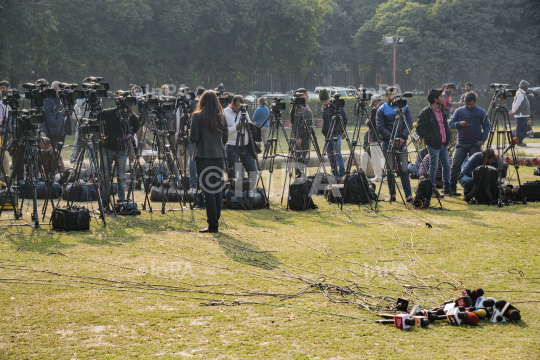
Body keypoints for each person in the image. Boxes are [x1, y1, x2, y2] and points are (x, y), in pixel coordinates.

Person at [190, 91, 228, 233]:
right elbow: (225, 138)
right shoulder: (222, 117)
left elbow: (194, 138)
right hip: (218, 156)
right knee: (217, 189)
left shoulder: (197, 116)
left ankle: (213, 225)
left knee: (208, 191)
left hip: (203, 156)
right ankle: (215, 221)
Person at [376, 86, 414, 202]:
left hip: (402, 142)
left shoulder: (404, 107)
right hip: (388, 143)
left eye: (397, 94)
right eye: (392, 94)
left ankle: (408, 195)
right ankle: (392, 195)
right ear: (386, 96)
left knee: (403, 169)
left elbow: (409, 123)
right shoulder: (381, 109)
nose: (395, 96)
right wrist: (393, 139)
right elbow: (380, 128)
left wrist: (402, 138)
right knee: (390, 169)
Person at [449, 92, 490, 195]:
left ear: (475, 102)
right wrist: (460, 124)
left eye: (471, 104)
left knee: (475, 167)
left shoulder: (481, 111)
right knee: (455, 166)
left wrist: (482, 140)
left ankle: (472, 189)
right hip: (461, 143)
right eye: (467, 104)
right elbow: (451, 124)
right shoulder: (459, 111)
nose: (469, 106)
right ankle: (452, 188)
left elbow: (487, 126)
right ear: (464, 102)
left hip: (475, 143)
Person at [416, 88, 455, 195]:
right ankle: (432, 190)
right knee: (433, 166)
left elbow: (443, 126)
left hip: (443, 144)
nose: (443, 98)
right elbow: (419, 129)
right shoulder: (426, 112)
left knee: (447, 166)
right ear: (435, 99)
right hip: (433, 145)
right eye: (441, 96)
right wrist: (430, 139)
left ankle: (447, 189)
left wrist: (447, 139)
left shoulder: (441, 109)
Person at [101, 101, 140, 204]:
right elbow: (98, 116)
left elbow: (138, 122)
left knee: (121, 177)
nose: (130, 107)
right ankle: (105, 200)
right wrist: (101, 133)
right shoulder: (110, 113)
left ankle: (121, 200)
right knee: (105, 176)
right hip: (107, 148)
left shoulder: (129, 116)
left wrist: (132, 133)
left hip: (122, 149)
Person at [224, 95, 257, 182]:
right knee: (233, 173)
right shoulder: (224, 113)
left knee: (253, 170)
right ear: (232, 104)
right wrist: (236, 128)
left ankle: (251, 192)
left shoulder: (244, 111)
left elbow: (249, 123)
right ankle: (234, 193)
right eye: (238, 106)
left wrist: (248, 126)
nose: (240, 109)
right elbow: (223, 131)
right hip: (232, 145)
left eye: (242, 106)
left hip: (245, 145)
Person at [319, 89, 348, 178]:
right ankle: (335, 173)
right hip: (327, 135)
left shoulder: (335, 106)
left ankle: (342, 172)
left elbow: (344, 119)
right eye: (322, 101)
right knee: (330, 156)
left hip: (336, 133)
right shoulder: (324, 109)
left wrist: (341, 131)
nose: (324, 103)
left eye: (325, 100)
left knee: (337, 154)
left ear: (328, 99)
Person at [289, 88, 314, 174]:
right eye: (306, 94)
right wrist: (297, 137)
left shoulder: (306, 106)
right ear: (300, 96)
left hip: (307, 135)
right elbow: (294, 125)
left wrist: (313, 133)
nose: (308, 96)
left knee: (305, 155)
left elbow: (310, 121)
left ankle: (303, 172)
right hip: (300, 135)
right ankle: (298, 173)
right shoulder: (296, 108)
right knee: (298, 155)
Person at [365, 94, 385, 182]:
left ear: (376, 102)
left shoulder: (375, 109)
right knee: (384, 157)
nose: (373, 105)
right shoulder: (387, 107)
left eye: (373, 103)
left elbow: (370, 123)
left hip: (375, 136)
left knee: (375, 157)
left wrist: (367, 120)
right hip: (385, 136)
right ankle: (385, 174)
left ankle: (378, 176)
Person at [43, 81, 66, 151]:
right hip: (52, 129)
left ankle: (57, 161)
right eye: (60, 88)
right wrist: (54, 123)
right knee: (52, 150)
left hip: (59, 129)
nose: (61, 90)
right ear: (55, 88)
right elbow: (47, 112)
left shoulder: (58, 98)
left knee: (58, 149)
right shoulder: (48, 98)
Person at [509, 80, 531, 147]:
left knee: (522, 128)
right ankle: (519, 142)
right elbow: (517, 104)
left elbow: (514, 103)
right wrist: (513, 111)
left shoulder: (519, 92)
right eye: (527, 86)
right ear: (524, 87)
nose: (527, 87)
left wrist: (513, 110)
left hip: (522, 114)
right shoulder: (521, 93)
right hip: (521, 114)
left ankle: (519, 140)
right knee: (520, 128)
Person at [0, 80, 11, 178]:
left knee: (2, 151)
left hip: (1, 131)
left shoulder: (4, 105)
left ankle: (6, 174)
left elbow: (7, 118)